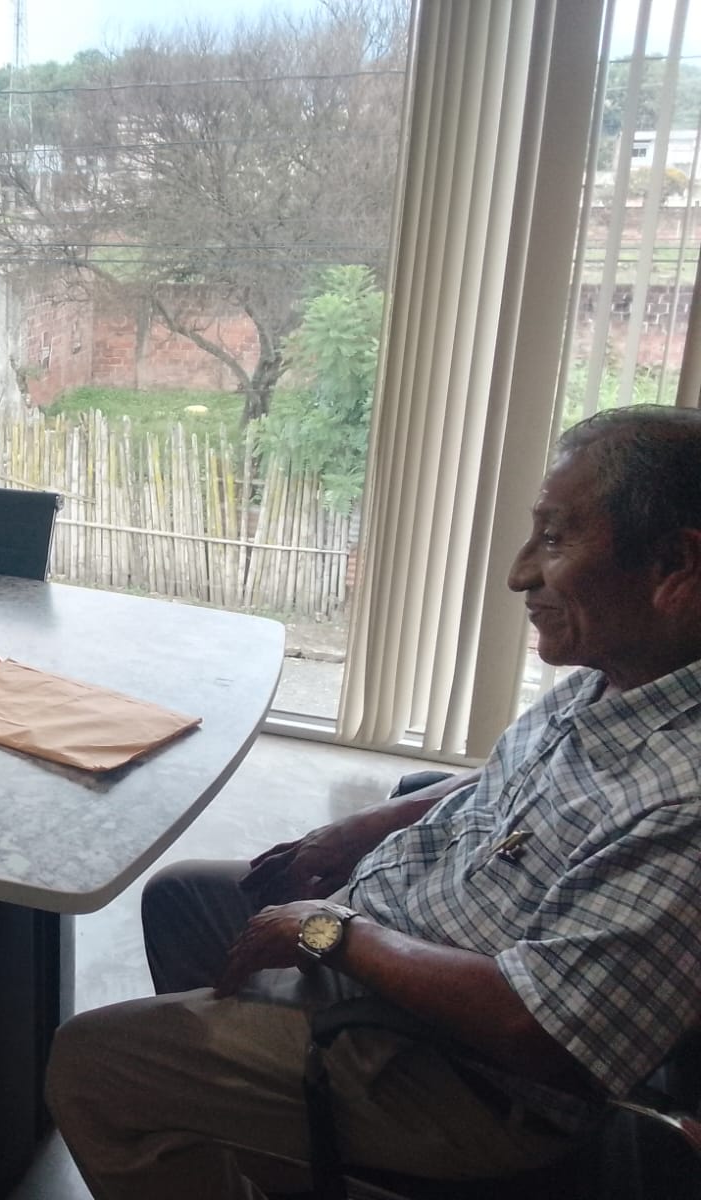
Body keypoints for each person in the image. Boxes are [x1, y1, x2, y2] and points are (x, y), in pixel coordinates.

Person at [46, 405, 701, 1200]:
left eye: (555, 539)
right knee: (185, 899)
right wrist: (368, 826)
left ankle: (245, 1099)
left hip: (464, 1074)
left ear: (675, 565)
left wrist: (331, 932)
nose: (520, 573)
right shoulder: (622, 676)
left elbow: (544, 1032)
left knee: (92, 1064)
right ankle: (257, 1138)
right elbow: (511, 776)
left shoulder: (685, 799)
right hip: (396, 945)